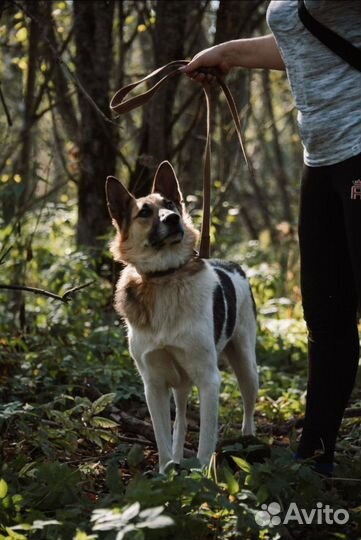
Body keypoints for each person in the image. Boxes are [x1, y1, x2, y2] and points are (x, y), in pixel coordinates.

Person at [183, 0, 361, 475]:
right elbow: (300, 39)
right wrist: (228, 53)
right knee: (326, 314)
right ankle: (316, 454)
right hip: (322, 157)